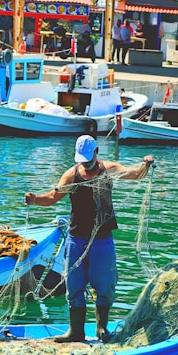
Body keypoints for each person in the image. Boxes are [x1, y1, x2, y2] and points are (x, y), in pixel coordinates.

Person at [25, 135, 154, 344]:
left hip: (102, 239)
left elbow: (135, 175)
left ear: (96, 152)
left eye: (88, 157)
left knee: (104, 284)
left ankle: (102, 327)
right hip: (76, 238)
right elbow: (52, 197)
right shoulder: (71, 175)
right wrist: (34, 200)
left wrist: (145, 164)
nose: (85, 162)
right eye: (82, 159)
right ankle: (75, 332)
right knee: (74, 284)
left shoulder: (108, 169)